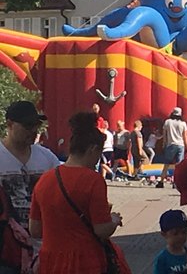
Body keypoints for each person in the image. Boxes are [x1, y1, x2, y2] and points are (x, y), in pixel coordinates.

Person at [29, 112, 125, 273]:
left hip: (50, 261)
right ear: (93, 149)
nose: (98, 159)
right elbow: (101, 229)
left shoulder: (45, 179)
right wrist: (114, 220)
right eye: (99, 153)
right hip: (85, 261)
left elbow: (35, 230)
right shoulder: (93, 180)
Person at [0, 100, 59, 229]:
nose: (33, 130)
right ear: (10, 124)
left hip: (41, 237)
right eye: (28, 125)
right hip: (6, 237)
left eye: (36, 125)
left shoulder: (47, 157)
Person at [153, 209, 187, 274]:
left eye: (184, 232)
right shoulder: (162, 259)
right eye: (175, 233)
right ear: (164, 234)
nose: (181, 236)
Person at [157, 107, 187, 189]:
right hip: (180, 145)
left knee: (166, 165)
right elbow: (185, 136)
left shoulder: (167, 122)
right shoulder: (183, 124)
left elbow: (165, 135)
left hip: (170, 144)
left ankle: (161, 182)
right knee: (178, 166)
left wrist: (164, 144)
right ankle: (175, 183)